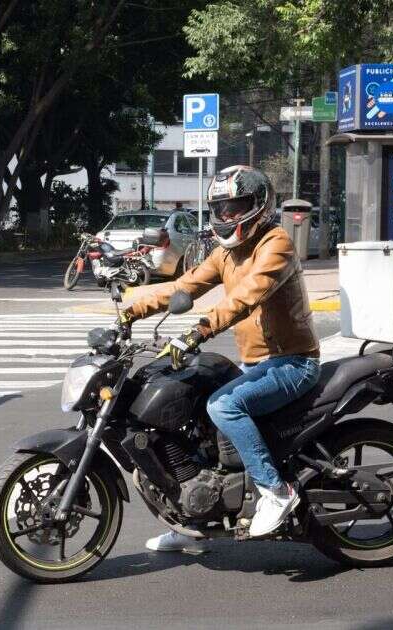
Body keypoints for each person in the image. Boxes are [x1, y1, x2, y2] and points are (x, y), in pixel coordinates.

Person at [120, 165, 320, 552]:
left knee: (224, 405)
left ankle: (276, 491)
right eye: (221, 208)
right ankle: (190, 518)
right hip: (256, 364)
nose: (227, 216)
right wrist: (131, 309)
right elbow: (184, 286)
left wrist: (199, 331)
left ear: (258, 205)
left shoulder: (274, 245)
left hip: (293, 362)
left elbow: (246, 297)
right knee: (189, 409)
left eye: (236, 207)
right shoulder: (225, 254)